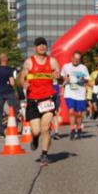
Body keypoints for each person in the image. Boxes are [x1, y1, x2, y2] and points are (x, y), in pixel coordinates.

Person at [18, 36, 61, 165]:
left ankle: (44, 154)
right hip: (33, 99)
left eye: (44, 45)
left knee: (46, 128)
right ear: (35, 48)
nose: (42, 47)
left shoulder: (52, 61)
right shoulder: (29, 62)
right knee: (36, 131)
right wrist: (23, 83)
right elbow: (22, 78)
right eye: (39, 45)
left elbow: (59, 78)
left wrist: (58, 77)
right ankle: (35, 138)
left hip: (48, 98)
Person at [61, 51, 91, 140]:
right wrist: (65, 79)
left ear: (80, 60)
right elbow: (63, 76)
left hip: (80, 93)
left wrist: (83, 79)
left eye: (78, 59)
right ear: (72, 58)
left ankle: (78, 127)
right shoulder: (66, 66)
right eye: (75, 58)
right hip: (69, 92)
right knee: (71, 111)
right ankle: (72, 129)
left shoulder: (83, 68)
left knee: (79, 114)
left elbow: (87, 80)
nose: (76, 60)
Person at [0, 53, 19, 137]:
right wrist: (12, 84)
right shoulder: (10, 69)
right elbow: (12, 82)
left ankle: (1, 132)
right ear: (6, 59)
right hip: (9, 92)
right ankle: (14, 128)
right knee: (14, 111)